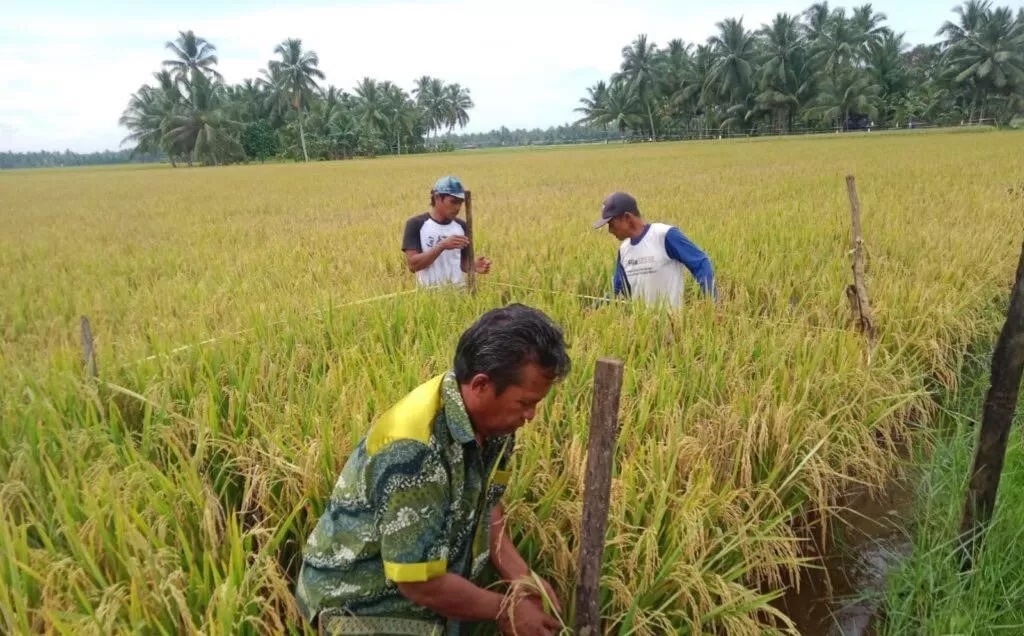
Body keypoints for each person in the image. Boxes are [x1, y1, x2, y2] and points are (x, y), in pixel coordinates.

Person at [294, 303, 571, 636]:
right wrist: (506, 608)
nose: (531, 416)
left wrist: (522, 578)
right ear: (481, 385)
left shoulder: (494, 424)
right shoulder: (413, 451)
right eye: (525, 403)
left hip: (431, 591)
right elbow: (417, 582)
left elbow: (488, 503)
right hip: (360, 605)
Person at [592, 191, 717, 308]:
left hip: (673, 326)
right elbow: (618, 289)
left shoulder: (664, 235)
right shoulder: (624, 250)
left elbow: (700, 263)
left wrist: (713, 302)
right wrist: (595, 307)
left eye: (611, 224)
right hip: (643, 328)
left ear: (627, 218)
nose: (610, 230)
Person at [402, 176, 492, 288]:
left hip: (460, 294)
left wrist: (474, 266)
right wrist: (442, 245)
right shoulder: (416, 224)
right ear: (437, 198)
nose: (458, 207)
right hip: (428, 296)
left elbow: (463, 263)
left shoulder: (462, 226)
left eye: (460, 202)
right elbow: (413, 265)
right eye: (453, 202)